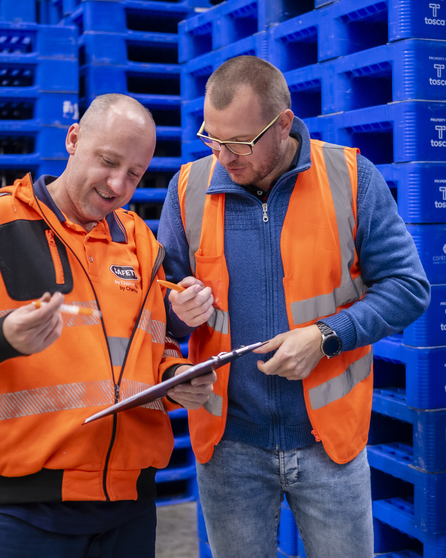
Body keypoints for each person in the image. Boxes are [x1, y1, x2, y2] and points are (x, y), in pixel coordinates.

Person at [0, 94, 217, 558]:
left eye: (134, 173)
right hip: (25, 513)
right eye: (108, 161)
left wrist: (172, 378)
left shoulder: (140, 243)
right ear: (73, 138)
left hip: (130, 508)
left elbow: (149, 348)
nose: (117, 184)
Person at [157, 56, 431, 557]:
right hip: (229, 447)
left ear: (283, 124)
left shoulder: (350, 178)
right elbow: (158, 311)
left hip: (328, 444)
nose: (223, 157)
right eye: (211, 139)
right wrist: (180, 314)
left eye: (238, 143)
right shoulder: (187, 190)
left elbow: (408, 287)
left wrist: (326, 336)